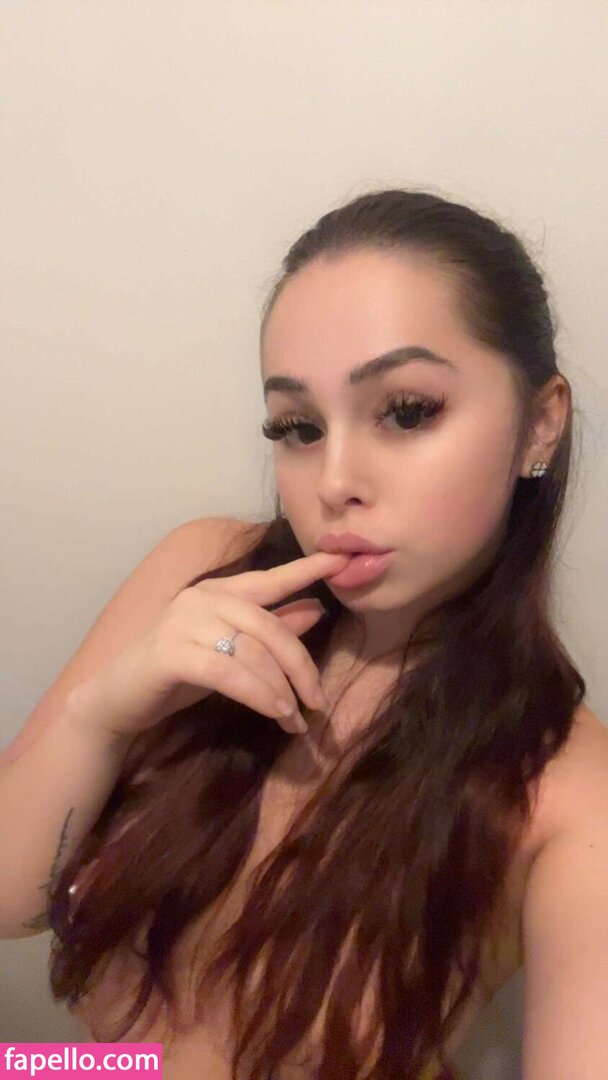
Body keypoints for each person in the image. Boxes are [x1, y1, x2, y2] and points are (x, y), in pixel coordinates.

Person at [2, 187, 608, 1080]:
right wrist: (103, 717)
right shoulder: (201, 573)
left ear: (540, 424)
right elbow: (12, 906)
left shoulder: (565, 794)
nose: (333, 481)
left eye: (407, 411)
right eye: (298, 427)